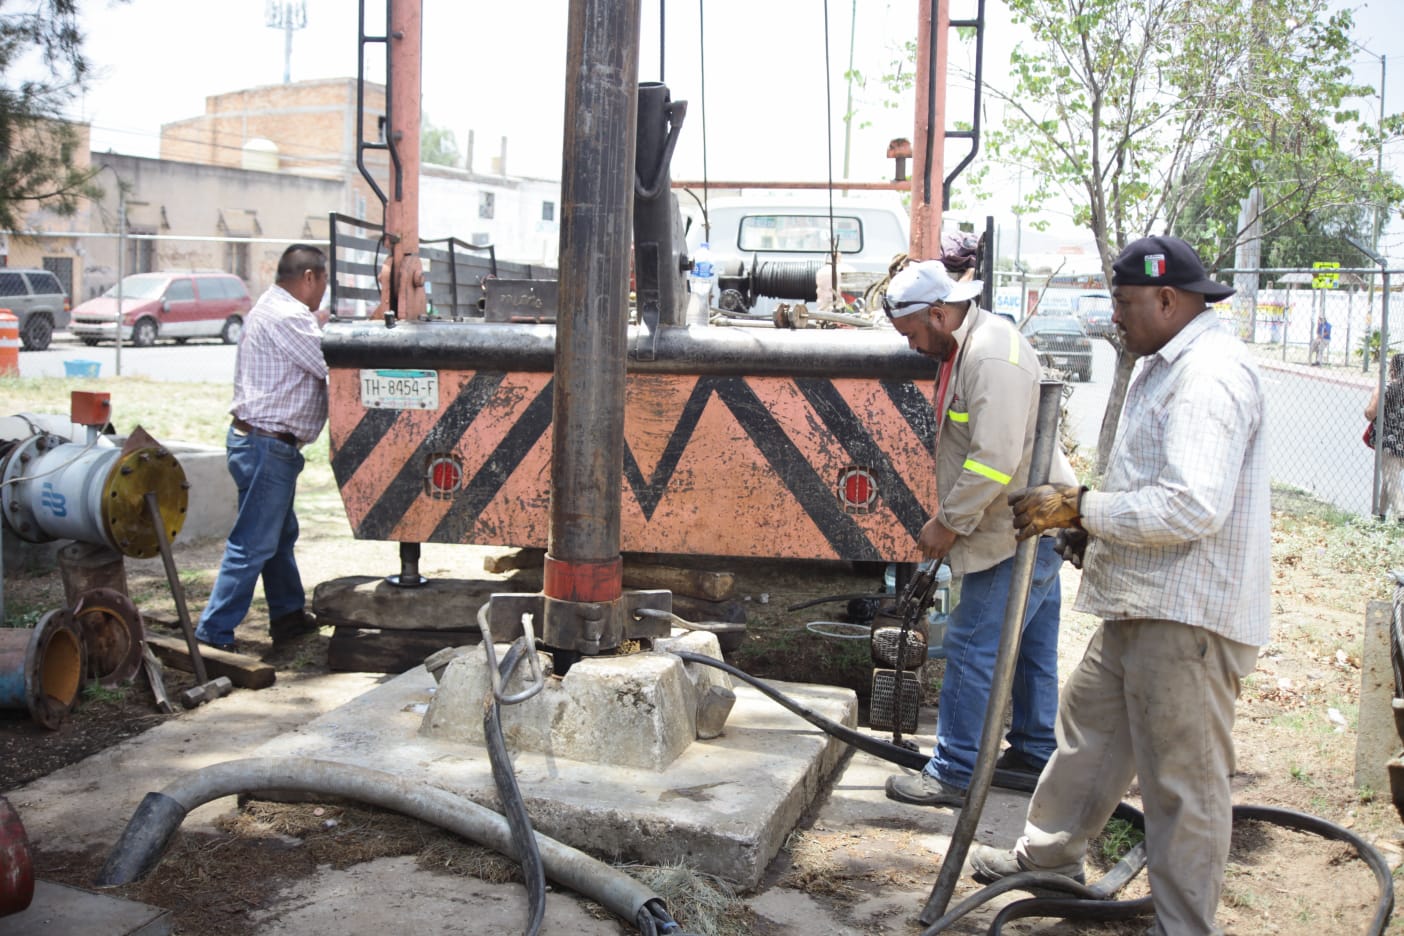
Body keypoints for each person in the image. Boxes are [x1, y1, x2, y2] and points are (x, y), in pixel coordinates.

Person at [972, 236, 1268, 936]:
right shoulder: (1164, 364)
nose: (1115, 317)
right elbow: (1150, 486)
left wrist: (1082, 508)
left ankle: (1182, 927)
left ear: (1168, 300)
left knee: (1181, 788)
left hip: (1188, 616)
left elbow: (1192, 506)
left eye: (1124, 303)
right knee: (1090, 731)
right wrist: (1090, 531)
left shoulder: (1208, 377)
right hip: (1144, 600)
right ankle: (1049, 859)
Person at [879, 260, 1071, 808]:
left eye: (914, 333)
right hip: (1038, 512)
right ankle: (1035, 753)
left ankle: (955, 772)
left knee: (970, 644)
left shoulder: (990, 355)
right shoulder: (971, 346)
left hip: (1024, 520)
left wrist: (948, 522)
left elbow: (995, 458)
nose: (913, 345)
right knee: (1030, 645)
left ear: (939, 313)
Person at [194, 244, 330, 652]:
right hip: (267, 445)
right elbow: (331, 364)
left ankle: (287, 617)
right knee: (252, 542)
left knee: (279, 534)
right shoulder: (288, 316)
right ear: (309, 277)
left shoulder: (273, 307)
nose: (324, 290)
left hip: (257, 442)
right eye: (323, 281)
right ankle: (213, 633)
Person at [1365, 353, 1404, 519]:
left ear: (1393, 369)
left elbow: (1371, 413)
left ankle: (1401, 513)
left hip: (1389, 442)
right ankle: (1379, 514)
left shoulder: (1387, 388)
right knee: (1390, 478)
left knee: (1391, 480)